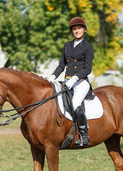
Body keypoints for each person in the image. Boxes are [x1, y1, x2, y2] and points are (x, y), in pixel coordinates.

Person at [48, 17, 94, 146]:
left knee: (75, 103)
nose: (77, 31)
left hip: (81, 82)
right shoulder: (67, 45)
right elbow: (61, 65)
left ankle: (84, 135)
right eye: (74, 29)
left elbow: (88, 68)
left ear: (84, 30)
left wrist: (75, 78)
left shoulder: (88, 47)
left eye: (79, 28)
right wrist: (52, 76)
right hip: (67, 81)